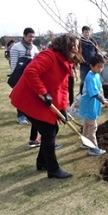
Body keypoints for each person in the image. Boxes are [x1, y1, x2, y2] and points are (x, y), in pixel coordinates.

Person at [10, 33, 83, 179]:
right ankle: (53, 169)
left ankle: (42, 162)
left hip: (40, 101)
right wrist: (43, 92)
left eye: (77, 45)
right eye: (73, 45)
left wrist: (63, 108)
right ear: (65, 46)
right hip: (29, 99)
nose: (76, 48)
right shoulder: (49, 56)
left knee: (52, 129)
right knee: (49, 131)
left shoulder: (65, 61)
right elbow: (30, 72)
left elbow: (62, 88)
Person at [79, 54, 108, 156]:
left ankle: (84, 142)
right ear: (91, 66)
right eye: (98, 67)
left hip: (91, 104)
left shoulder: (96, 75)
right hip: (89, 105)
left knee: (86, 125)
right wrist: (103, 101)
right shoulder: (90, 77)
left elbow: (98, 91)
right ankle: (93, 148)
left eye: (101, 67)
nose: (100, 69)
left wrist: (104, 99)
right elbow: (94, 92)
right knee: (93, 127)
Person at [10, 27, 39, 125]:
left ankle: (29, 115)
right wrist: (16, 76)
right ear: (24, 36)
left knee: (30, 96)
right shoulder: (16, 47)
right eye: (30, 36)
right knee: (21, 96)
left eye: (33, 37)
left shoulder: (34, 48)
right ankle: (21, 117)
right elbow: (13, 63)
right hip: (19, 75)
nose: (32, 38)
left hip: (30, 76)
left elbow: (37, 60)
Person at [79, 25, 98, 94]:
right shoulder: (80, 41)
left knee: (93, 80)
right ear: (82, 33)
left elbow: (96, 52)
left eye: (88, 32)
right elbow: (78, 52)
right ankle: (81, 94)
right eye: (85, 32)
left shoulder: (93, 41)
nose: (87, 34)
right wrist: (81, 58)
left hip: (92, 64)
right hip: (83, 65)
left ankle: (92, 93)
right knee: (83, 80)